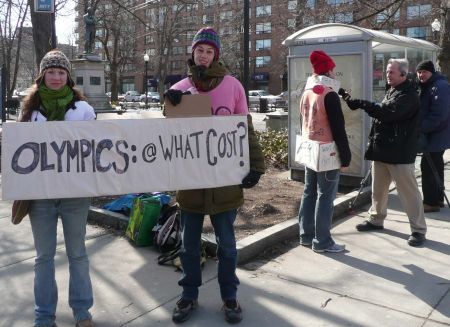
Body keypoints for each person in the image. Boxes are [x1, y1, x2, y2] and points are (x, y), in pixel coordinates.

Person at [163, 27, 265, 324]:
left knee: (228, 245)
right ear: (192, 53)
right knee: (188, 245)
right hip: (191, 182)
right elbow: (169, 135)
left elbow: (245, 128)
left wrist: (256, 165)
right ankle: (189, 294)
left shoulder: (233, 86)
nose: (204, 55)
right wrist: (167, 103)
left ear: (216, 55)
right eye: (199, 50)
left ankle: (229, 296)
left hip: (225, 181)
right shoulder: (180, 87)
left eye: (209, 51)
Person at [20, 50, 96, 327]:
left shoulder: (84, 110)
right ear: (42, 75)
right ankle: (44, 315)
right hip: (40, 197)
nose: (55, 77)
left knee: (77, 253)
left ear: (68, 77)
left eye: (61, 72)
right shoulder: (28, 110)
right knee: (44, 257)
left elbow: (97, 153)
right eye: (50, 72)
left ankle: (82, 311)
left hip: (75, 195)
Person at [342, 58, 427, 247]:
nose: (387, 75)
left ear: (403, 74)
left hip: (400, 153)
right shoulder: (393, 90)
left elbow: (388, 113)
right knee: (378, 191)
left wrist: (362, 104)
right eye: (387, 71)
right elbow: (383, 112)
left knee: (409, 193)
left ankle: (419, 230)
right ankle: (376, 220)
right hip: (382, 151)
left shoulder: (410, 95)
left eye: (391, 72)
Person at [298, 50, 351, 253]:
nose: (335, 73)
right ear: (328, 70)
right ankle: (322, 242)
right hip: (327, 151)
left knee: (309, 192)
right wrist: (345, 156)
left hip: (310, 148)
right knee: (325, 196)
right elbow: (339, 129)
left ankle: (306, 235)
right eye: (333, 69)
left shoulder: (308, 91)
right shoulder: (328, 95)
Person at [416, 60, 450, 212]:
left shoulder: (439, 86)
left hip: (435, 135)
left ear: (432, 72)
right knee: (435, 166)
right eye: (419, 72)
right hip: (435, 134)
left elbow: (439, 115)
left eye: (424, 71)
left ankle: (431, 202)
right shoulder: (431, 85)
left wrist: (421, 129)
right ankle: (437, 200)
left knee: (429, 167)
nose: (421, 74)